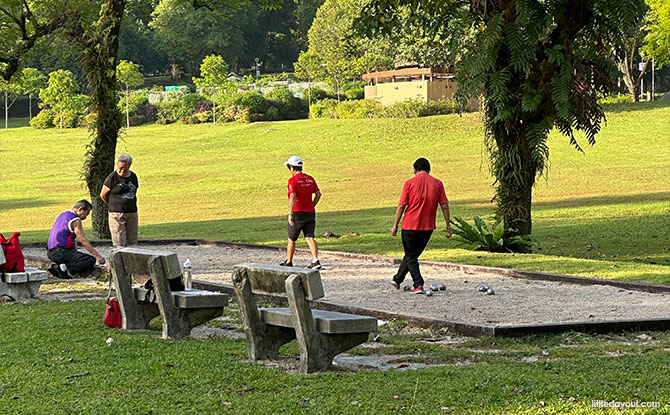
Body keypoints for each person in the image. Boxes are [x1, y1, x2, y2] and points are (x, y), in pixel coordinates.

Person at [390, 158, 452, 294]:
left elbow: (401, 206)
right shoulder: (438, 184)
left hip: (410, 225)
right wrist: (448, 225)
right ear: (428, 169)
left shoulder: (409, 183)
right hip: (427, 227)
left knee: (411, 256)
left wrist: (395, 225)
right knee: (411, 255)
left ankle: (418, 284)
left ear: (415, 169)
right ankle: (397, 279)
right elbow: (445, 206)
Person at [280, 155, 322, 269]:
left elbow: (292, 196)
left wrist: (290, 213)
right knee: (309, 236)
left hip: (297, 212)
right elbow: (318, 194)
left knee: (292, 238)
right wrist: (312, 205)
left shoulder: (292, 181)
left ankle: (289, 261)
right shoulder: (310, 178)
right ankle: (315, 260)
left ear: (292, 168)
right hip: (310, 212)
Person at [47, 200, 106, 279]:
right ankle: (63, 269)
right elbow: (83, 240)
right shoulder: (75, 220)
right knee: (90, 260)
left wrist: (75, 250)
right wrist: (98, 256)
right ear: (80, 209)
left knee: (76, 257)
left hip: (50, 251)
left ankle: (60, 267)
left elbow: (69, 236)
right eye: (87, 213)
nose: (85, 217)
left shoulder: (63, 215)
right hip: (60, 252)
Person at [100, 153, 139, 247]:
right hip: (116, 212)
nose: (121, 170)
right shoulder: (112, 177)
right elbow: (103, 194)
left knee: (132, 240)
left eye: (124, 168)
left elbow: (134, 191)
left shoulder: (133, 176)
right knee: (119, 241)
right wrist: (112, 204)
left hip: (131, 212)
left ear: (129, 166)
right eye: (120, 167)